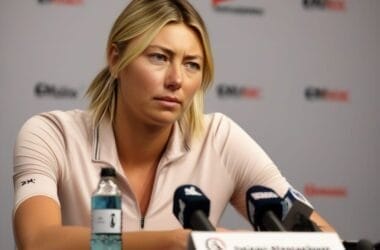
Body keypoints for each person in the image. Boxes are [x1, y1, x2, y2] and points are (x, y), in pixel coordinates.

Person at [12, 0, 336, 249]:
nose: (176, 80)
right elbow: (40, 240)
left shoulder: (220, 139)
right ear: (115, 59)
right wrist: (174, 241)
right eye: (159, 57)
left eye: (192, 64)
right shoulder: (51, 134)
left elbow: (322, 239)